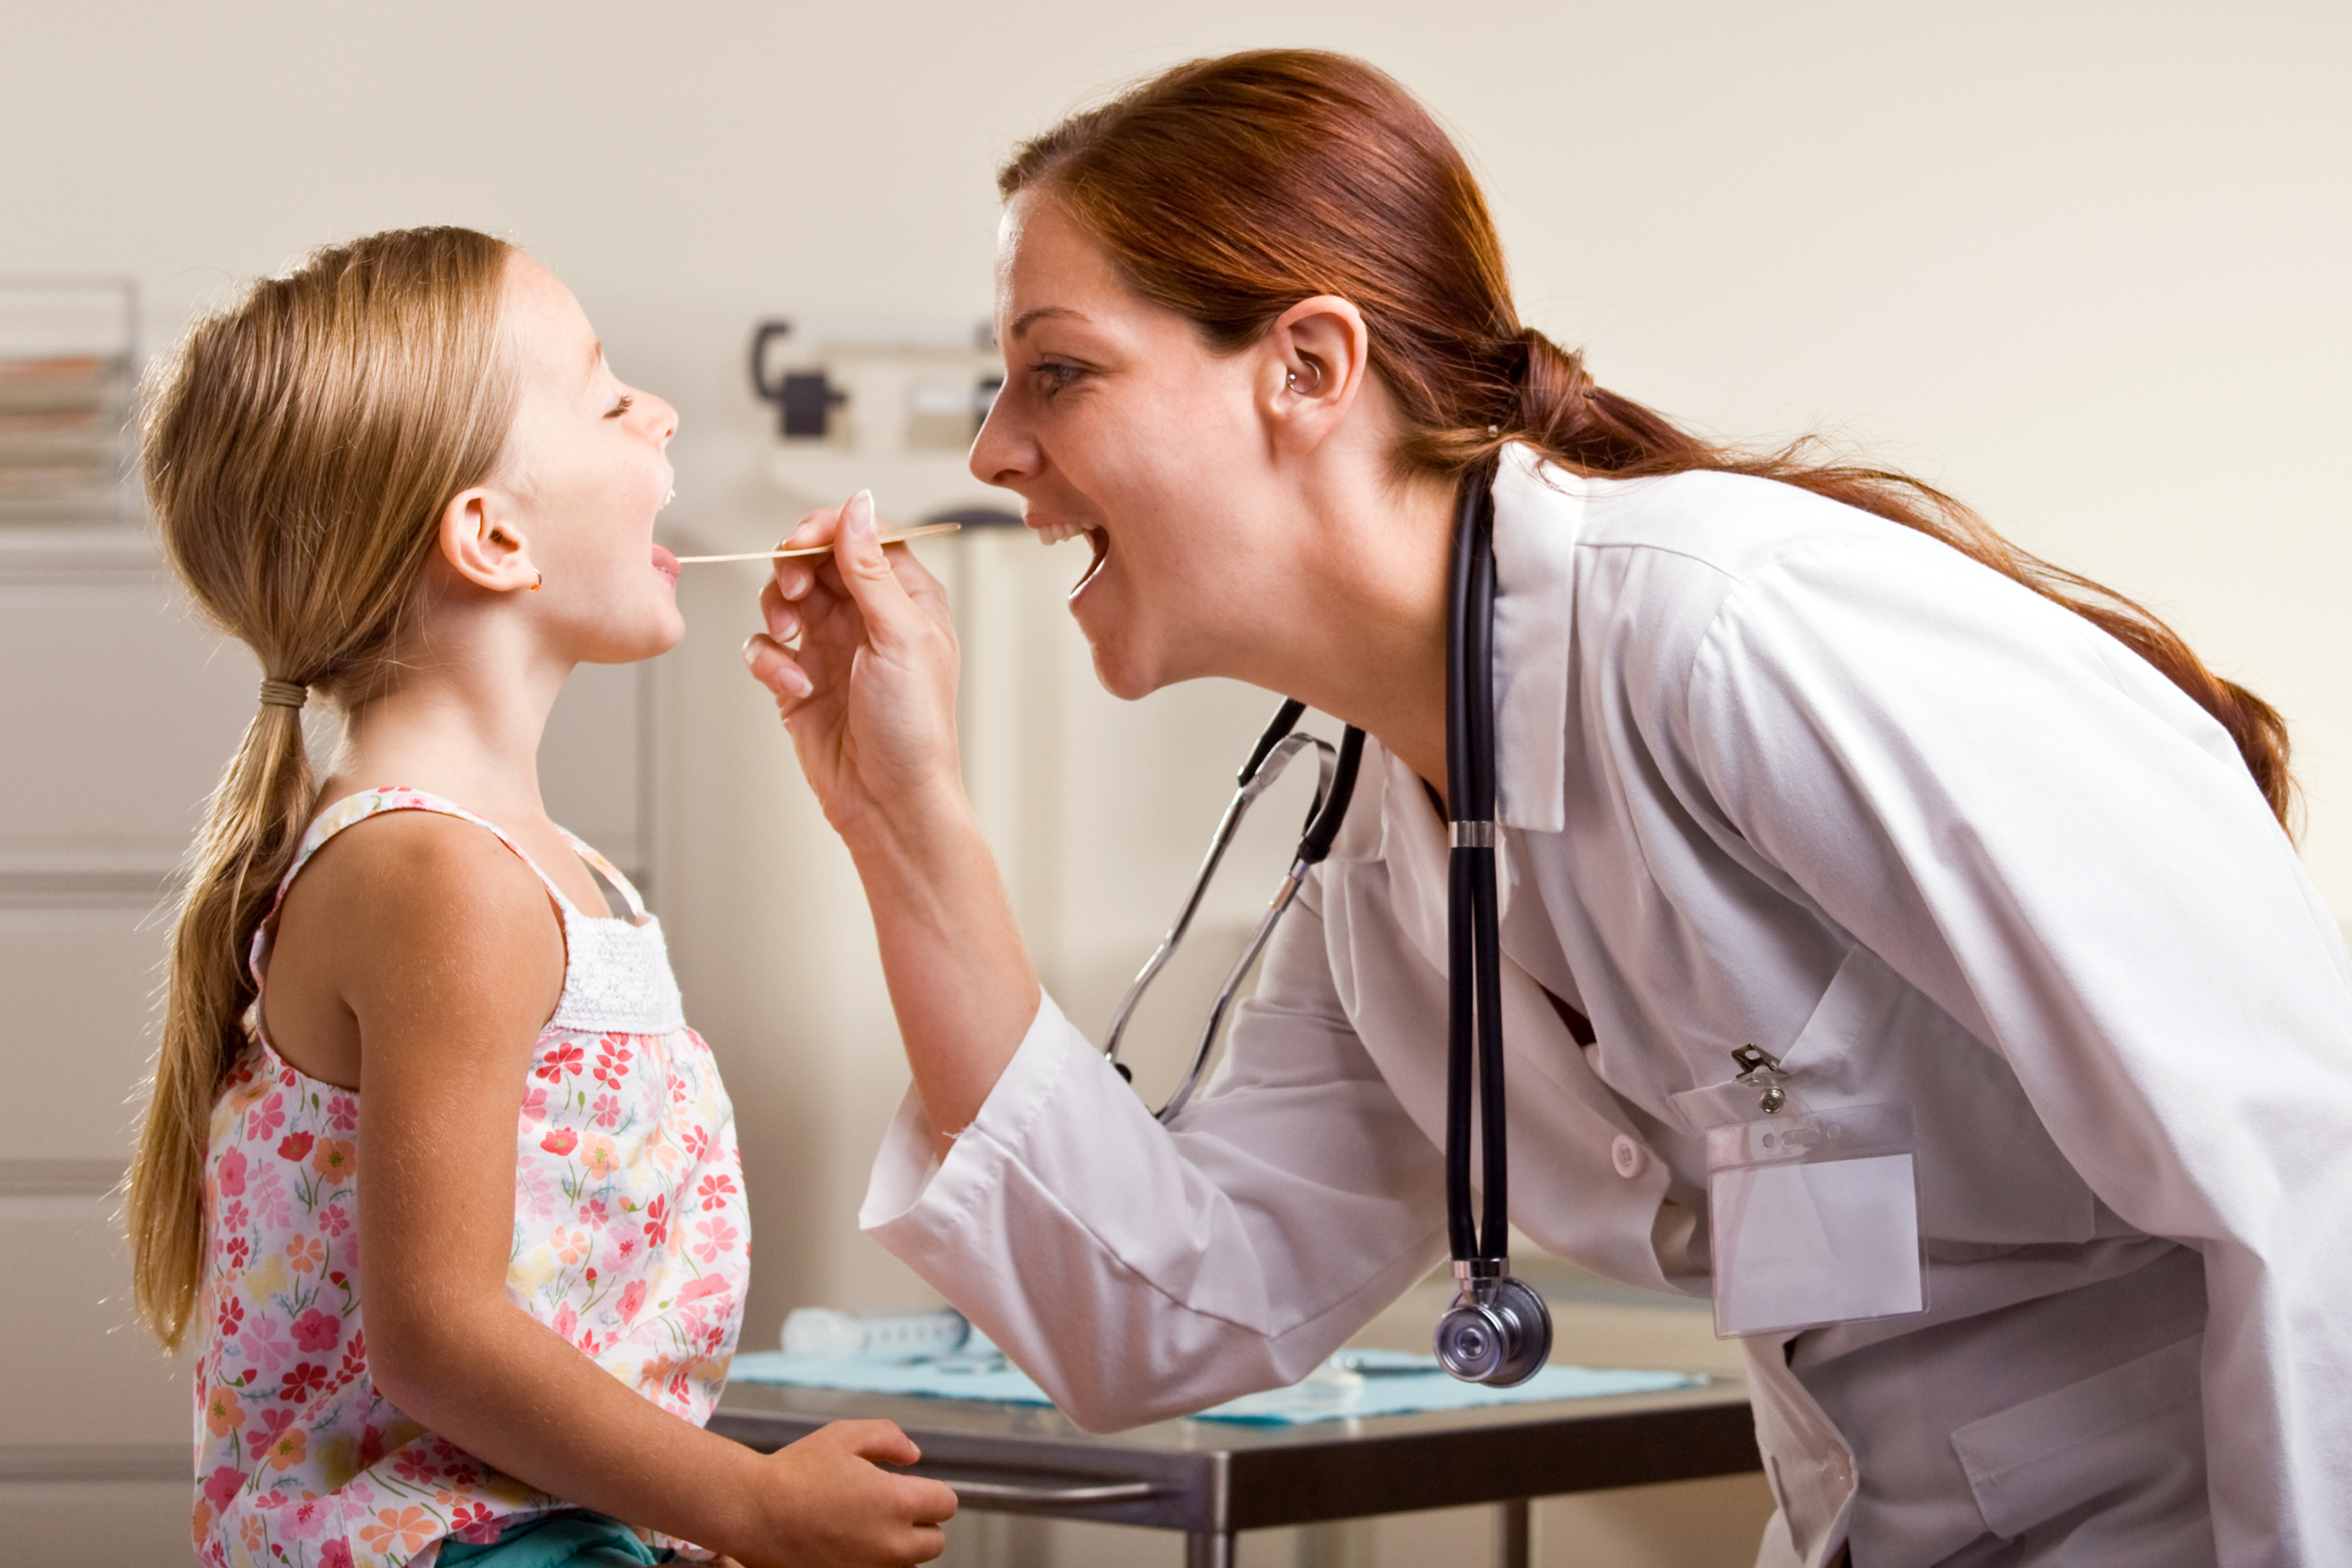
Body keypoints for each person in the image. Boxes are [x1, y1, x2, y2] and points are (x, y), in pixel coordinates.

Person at [740, 50, 2352, 1568]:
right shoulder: (1391, 850)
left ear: (1307, 365)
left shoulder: (1729, 633)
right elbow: (1163, 1314)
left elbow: (2299, 1172)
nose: (995, 450)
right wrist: (902, 818)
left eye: (1057, 373)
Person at [124, 227, 957, 1568]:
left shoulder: (541, 870)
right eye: (610, 395)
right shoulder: (438, 877)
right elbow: (440, 1339)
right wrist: (743, 1500)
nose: (665, 413)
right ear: (495, 536)